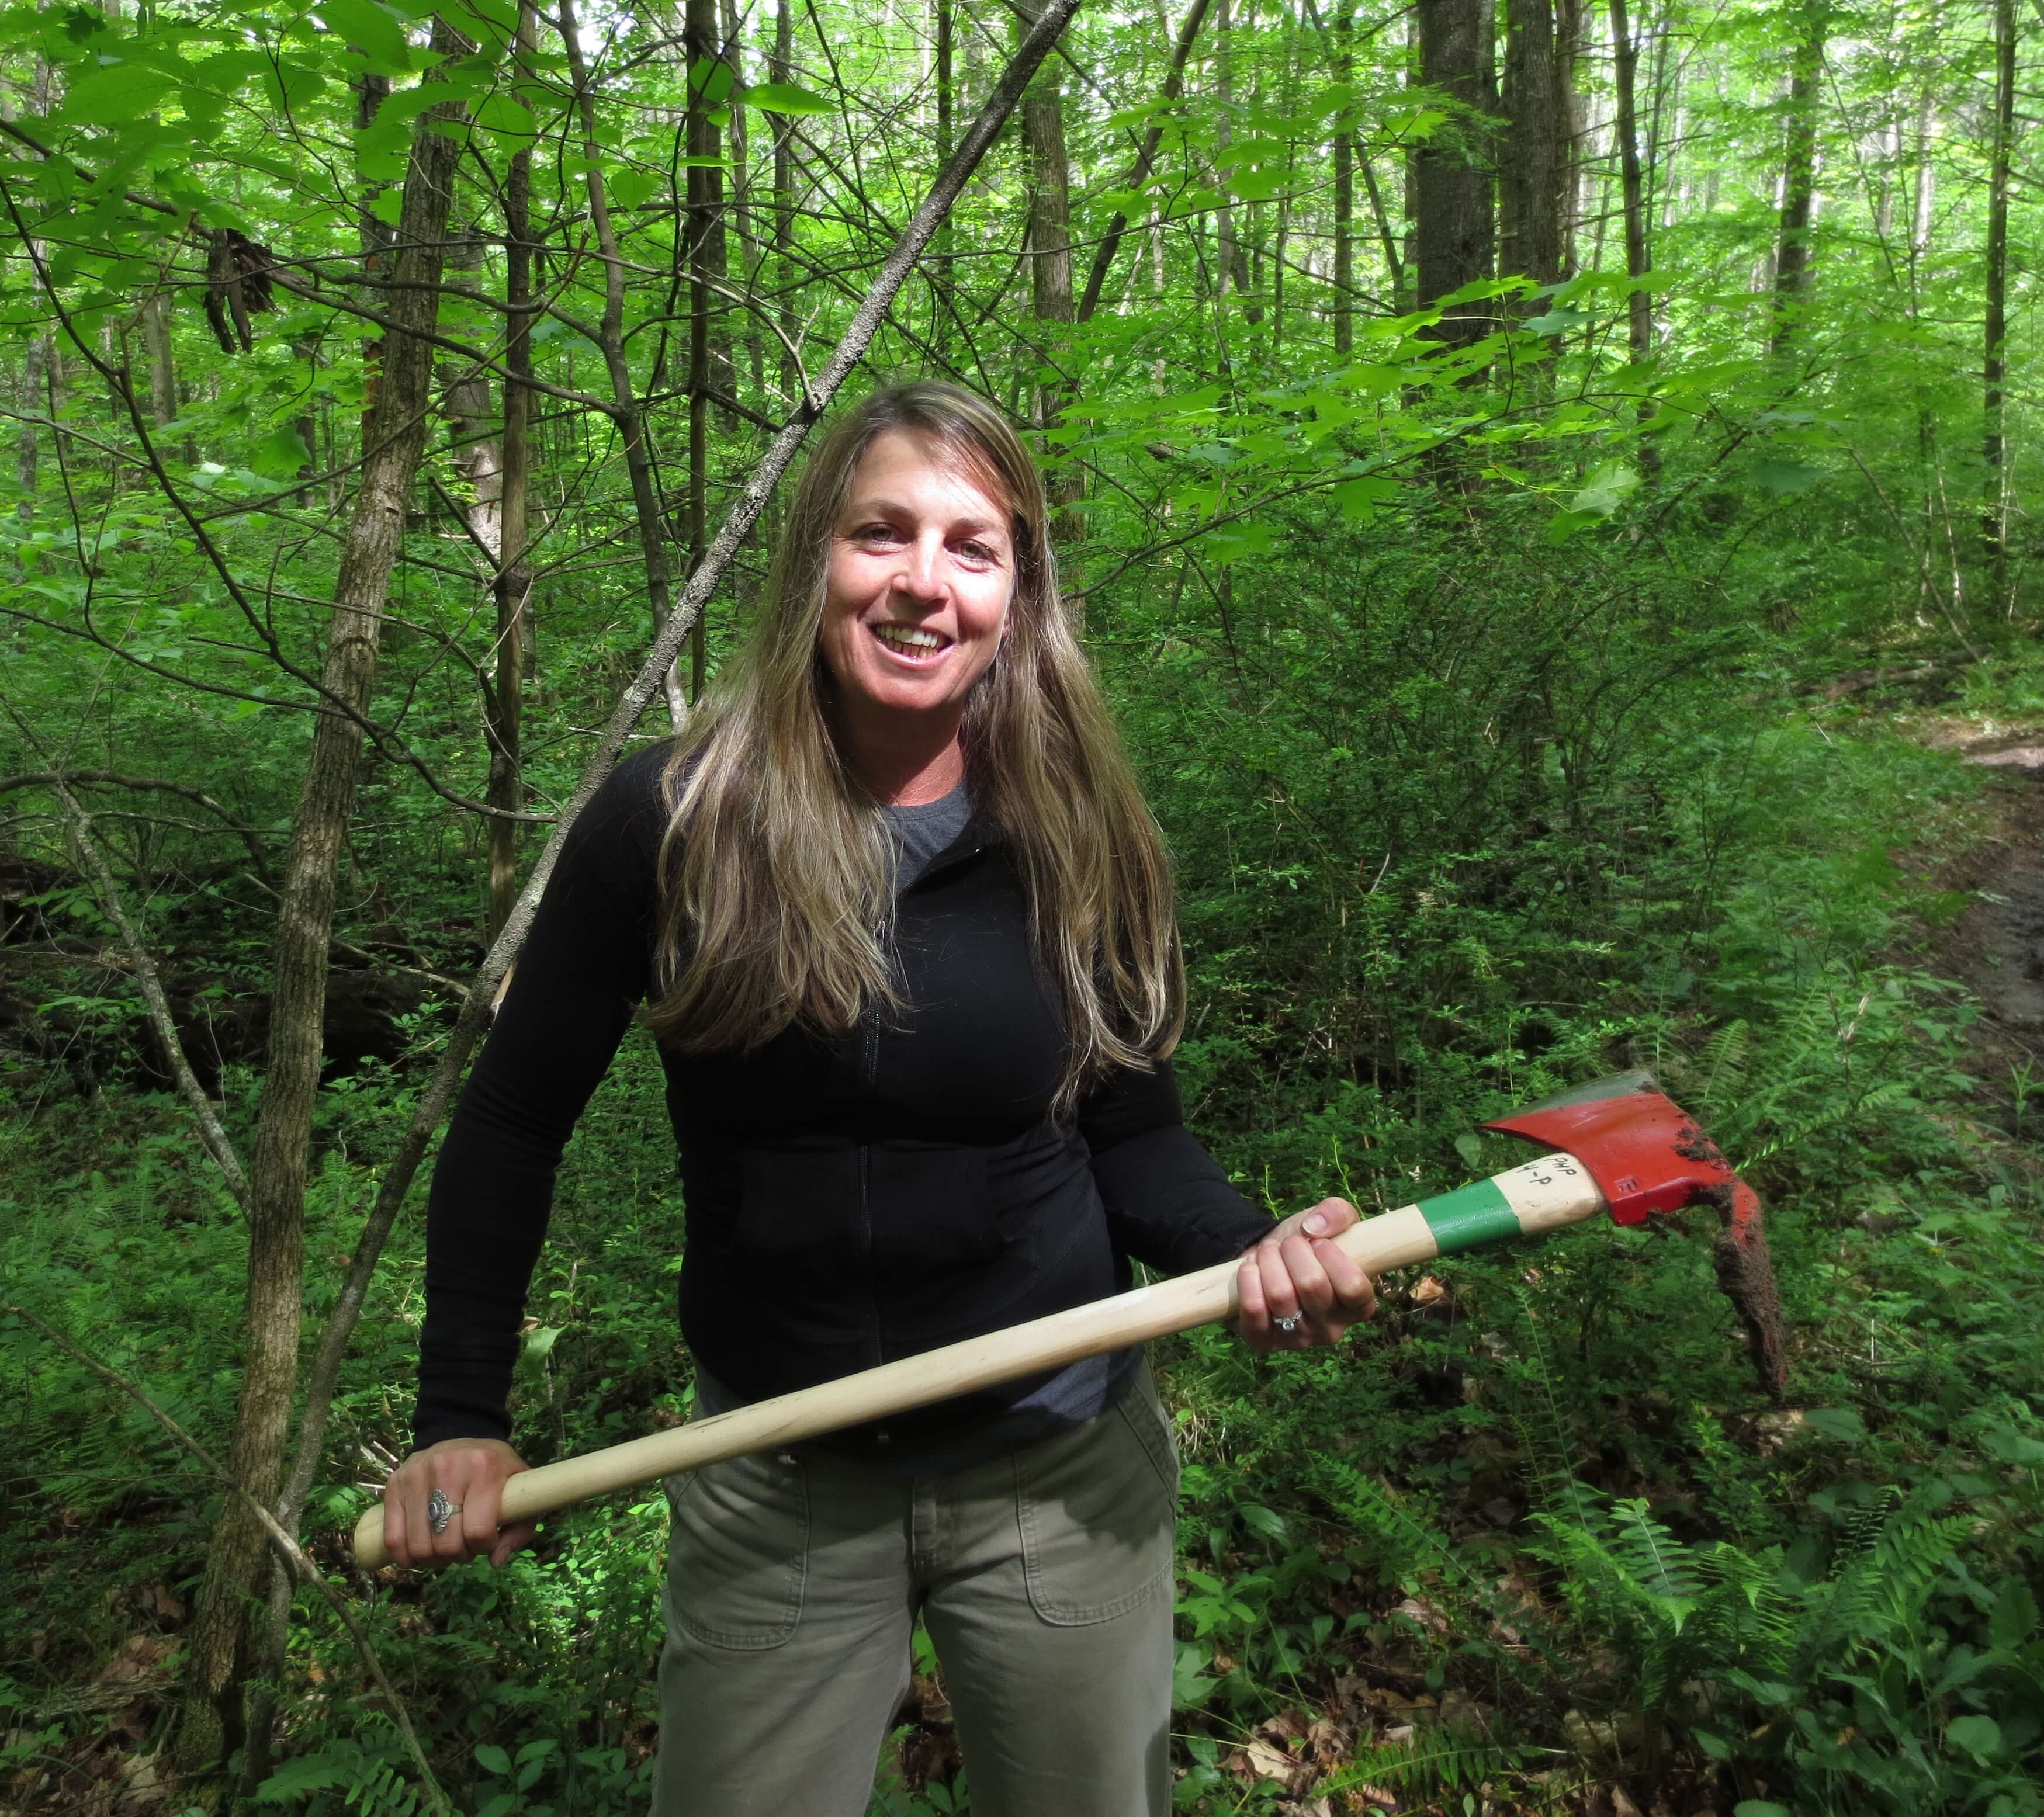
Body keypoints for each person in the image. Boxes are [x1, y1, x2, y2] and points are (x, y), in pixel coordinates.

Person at [381, 382, 1377, 1817]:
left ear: (1019, 587)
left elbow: (1134, 1133)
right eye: (883, 533)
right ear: (815, 564)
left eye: (974, 546)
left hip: (1061, 1476)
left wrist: (1250, 1251)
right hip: (773, 1472)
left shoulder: (1080, 832)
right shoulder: (672, 821)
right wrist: (460, 1408)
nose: (925, 582)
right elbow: (510, 1121)